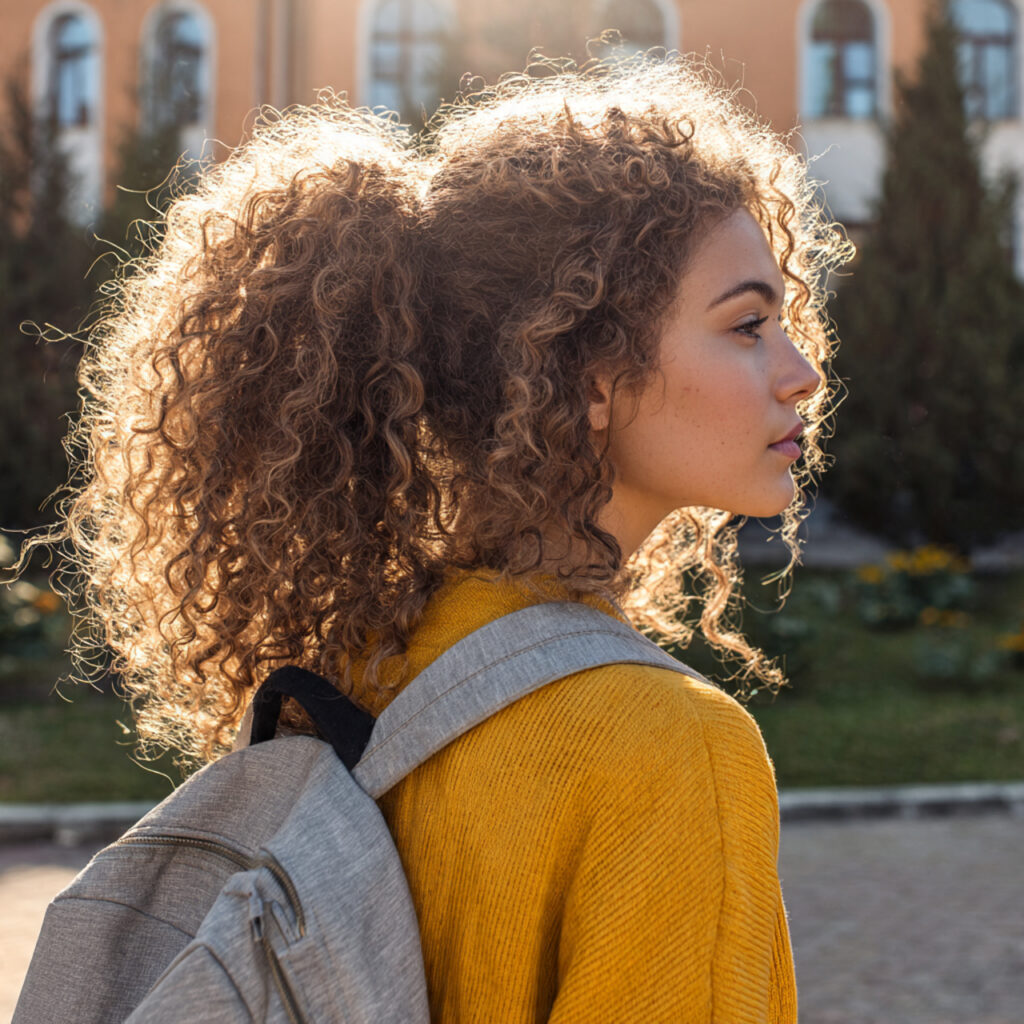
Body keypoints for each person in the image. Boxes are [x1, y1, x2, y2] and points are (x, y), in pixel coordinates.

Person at [33, 50, 848, 1023]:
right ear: (588, 375)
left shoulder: (368, 669)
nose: (801, 370)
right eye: (748, 324)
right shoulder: (673, 751)